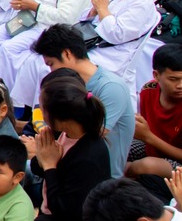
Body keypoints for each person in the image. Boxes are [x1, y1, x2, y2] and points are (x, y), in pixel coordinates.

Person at [26, 75, 115, 221]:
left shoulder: (90, 155)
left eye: (43, 109)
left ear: (61, 118)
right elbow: (39, 165)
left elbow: (64, 209)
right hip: (50, 219)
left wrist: (50, 165)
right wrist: (44, 158)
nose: (40, 113)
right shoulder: (62, 134)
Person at [28, 23, 134, 177]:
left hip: (99, 178)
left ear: (67, 54)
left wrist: (41, 151)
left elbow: (86, 138)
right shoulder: (70, 84)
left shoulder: (111, 87)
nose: (50, 71)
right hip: (68, 165)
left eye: (51, 64)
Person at [126, 44, 182, 171]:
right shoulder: (148, 91)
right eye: (173, 79)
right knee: (114, 146)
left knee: (143, 166)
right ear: (156, 75)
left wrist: (148, 136)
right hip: (150, 148)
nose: (181, 85)